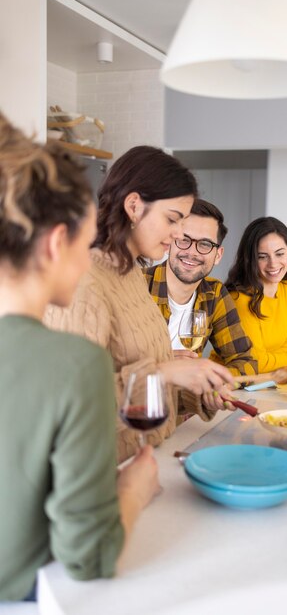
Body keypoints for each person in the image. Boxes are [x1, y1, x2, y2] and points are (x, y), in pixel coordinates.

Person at [0, 114, 159, 602]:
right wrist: (134, 488)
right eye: (84, 240)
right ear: (54, 244)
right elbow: (90, 557)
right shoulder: (72, 365)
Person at [45, 146, 234, 462]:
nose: (176, 236)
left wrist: (196, 393)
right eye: (172, 220)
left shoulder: (131, 272)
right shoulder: (84, 284)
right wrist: (167, 373)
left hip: (146, 459)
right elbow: (71, 408)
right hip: (108, 474)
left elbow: (140, 374)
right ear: (134, 205)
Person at [144, 199, 258, 408]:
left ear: (218, 255)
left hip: (183, 415)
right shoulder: (137, 286)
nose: (192, 252)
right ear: (170, 242)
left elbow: (245, 362)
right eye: (184, 239)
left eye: (205, 244)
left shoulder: (214, 294)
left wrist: (213, 380)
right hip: (133, 414)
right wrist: (165, 364)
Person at [225, 217, 287, 373]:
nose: (273, 264)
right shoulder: (239, 298)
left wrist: (282, 357)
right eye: (262, 256)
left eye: (279, 254)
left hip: (270, 379)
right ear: (250, 258)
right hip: (234, 383)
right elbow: (255, 361)